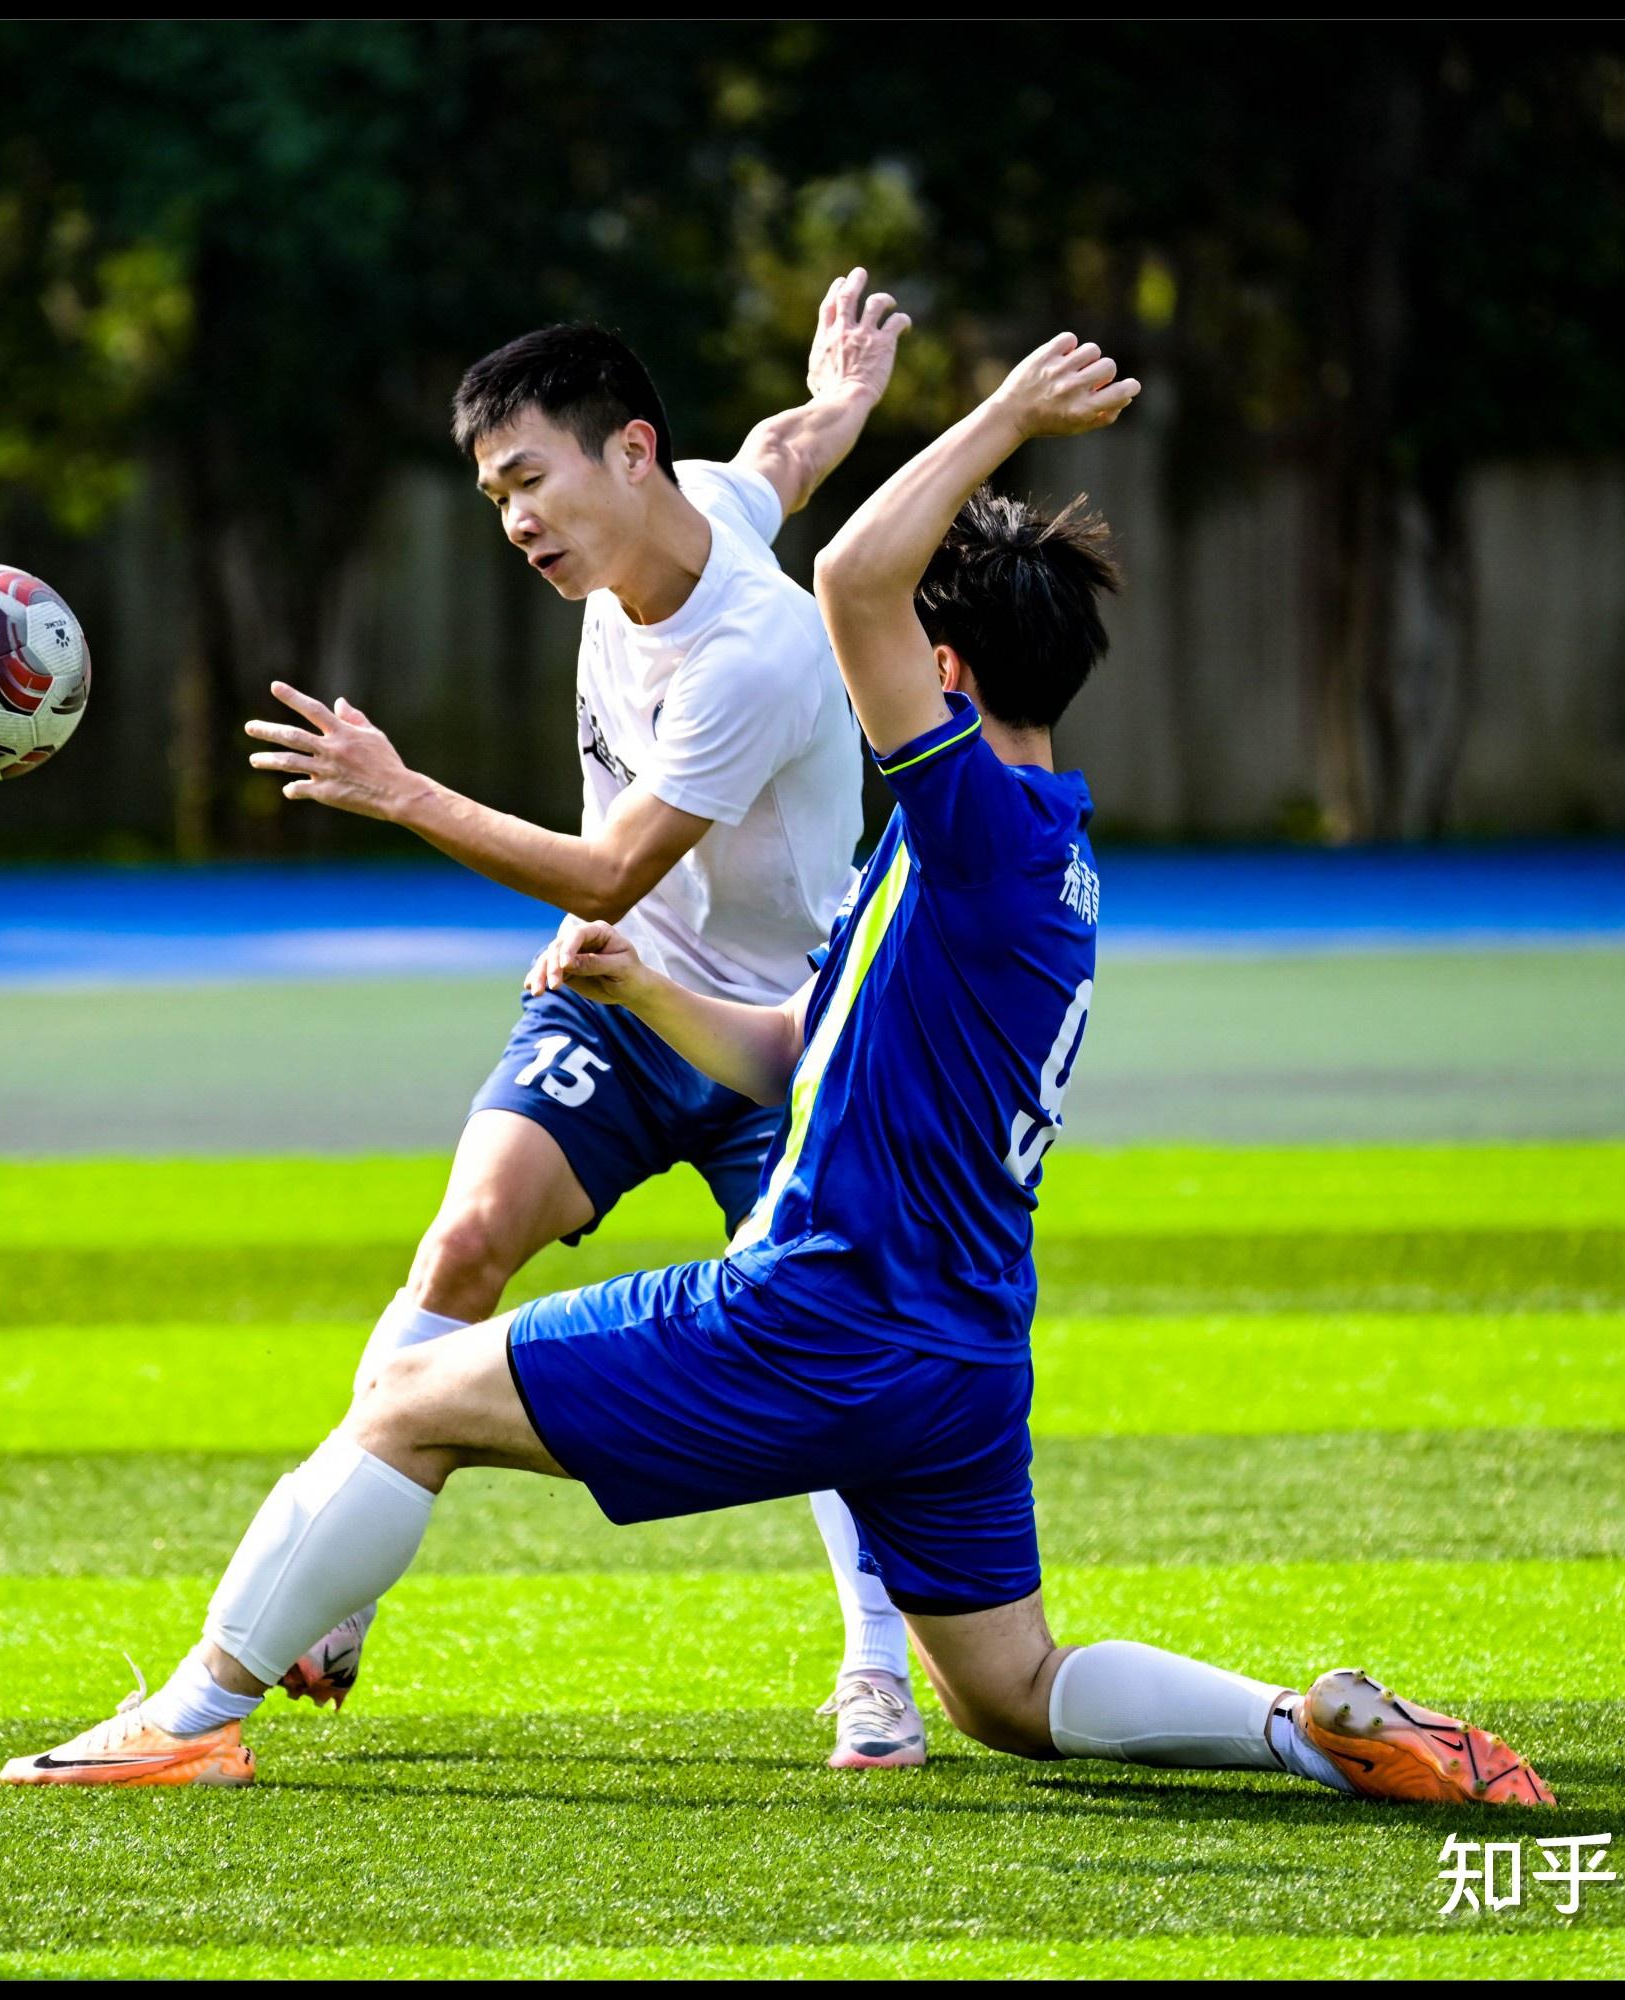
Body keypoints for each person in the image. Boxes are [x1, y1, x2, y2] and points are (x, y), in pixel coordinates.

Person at [5, 329, 1555, 1812]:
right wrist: (651, 991)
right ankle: (1304, 1726)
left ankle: (187, 1716)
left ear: (939, 668)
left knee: (404, 1400)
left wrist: (1005, 411)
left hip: (821, 1316)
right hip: (961, 1361)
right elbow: (806, 1049)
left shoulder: (967, 827)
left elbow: (848, 570)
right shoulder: (1048, 861)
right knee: (1011, 1692)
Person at [235, 273, 940, 1767]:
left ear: (626, 452)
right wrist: (851, 399)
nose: (516, 523)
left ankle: (876, 1671)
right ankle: (331, 1579)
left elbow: (618, 867)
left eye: (527, 481)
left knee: (827, 1341)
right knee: (464, 1238)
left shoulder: (754, 641)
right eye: (493, 496)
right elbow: (783, 455)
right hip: (612, 1005)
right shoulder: (694, 504)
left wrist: (401, 791)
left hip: (781, 1030)